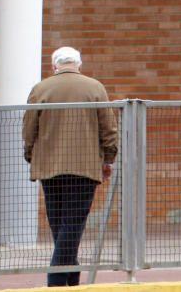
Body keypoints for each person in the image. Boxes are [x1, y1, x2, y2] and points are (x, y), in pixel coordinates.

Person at [23, 46, 118, 287]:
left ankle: (70, 278)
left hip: (49, 166)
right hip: (84, 167)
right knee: (74, 222)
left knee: (58, 222)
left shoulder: (40, 88)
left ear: (54, 65)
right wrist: (108, 159)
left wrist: (30, 155)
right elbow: (109, 129)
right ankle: (57, 278)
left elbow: (29, 128)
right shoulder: (95, 88)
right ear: (79, 64)